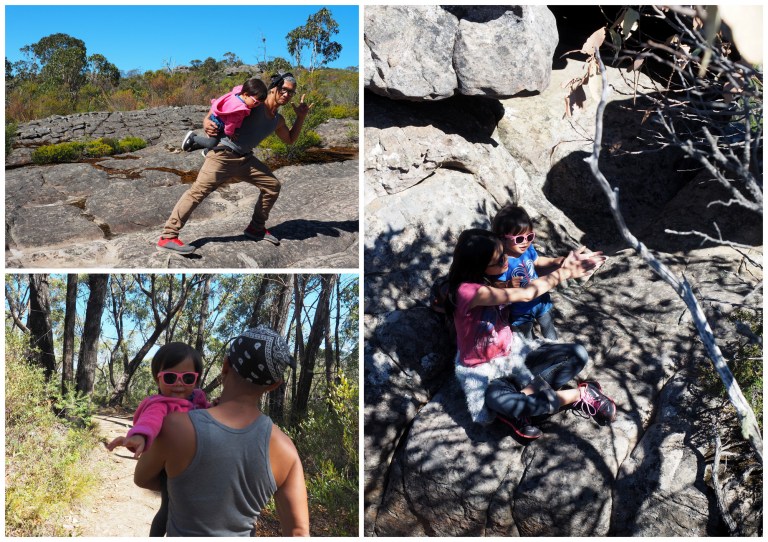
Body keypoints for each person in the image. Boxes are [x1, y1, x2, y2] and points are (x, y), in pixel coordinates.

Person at [134, 325, 310, 536]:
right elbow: (299, 532)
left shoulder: (175, 426)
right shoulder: (287, 450)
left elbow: (142, 478)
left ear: (226, 366)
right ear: (274, 385)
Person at [447, 229, 616, 439]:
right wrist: (564, 273)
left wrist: (562, 263)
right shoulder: (468, 291)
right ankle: (579, 395)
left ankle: (523, 405)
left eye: (503, 254)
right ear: (478, 266)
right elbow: (526, 294)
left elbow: (531, 275)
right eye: (499, 259)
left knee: (578, 354)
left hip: (515, 355)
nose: (505, 260)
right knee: (506, 402)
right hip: (487, 373)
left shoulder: (492, 275)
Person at [157, 73, 313, 254]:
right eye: (283, 89)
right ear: (273, 87)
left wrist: (301, 117)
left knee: (272, 185)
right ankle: (168, 237)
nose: (286, 94)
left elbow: (290, 139)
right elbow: (218, 108)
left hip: (244, 159)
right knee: (197, 192)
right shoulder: (255, 104)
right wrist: (207, 122)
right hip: (222, 155)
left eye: (291, 92)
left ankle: (255, 228)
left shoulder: (278, 120)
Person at [106, 342, 210, 537]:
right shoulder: (161, 404)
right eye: (170, 378)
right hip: (170, 469)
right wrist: (139, 436)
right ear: (157, 378)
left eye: (188, 378)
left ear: (196, 380)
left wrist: (216, 407)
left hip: (193, 466)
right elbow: (149, 421)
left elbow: (206, 414)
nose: (179, 384)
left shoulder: (197, 399)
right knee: (168, 508)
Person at [488, 205, 569, 341]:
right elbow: (494, 285)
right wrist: (507, 284)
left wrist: (556, 261)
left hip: (540, 300)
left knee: (548, 327)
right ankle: (533, 357)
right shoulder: (501, 261)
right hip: (520, 310)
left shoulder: (528, 249)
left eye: (530, 236)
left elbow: (537, 261)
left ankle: (556, 350)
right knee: (527, 339)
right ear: (502, 238)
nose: (525, 242)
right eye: (519, 239)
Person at [180, 78, 268, 153]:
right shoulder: (238, 110)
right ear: (245, 95)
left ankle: (196, 146)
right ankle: (193, 138)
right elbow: (230, 124)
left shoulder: (237, 94)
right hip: (217, 125)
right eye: (256, 102)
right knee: (212, 143)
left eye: (260, 103)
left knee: (218, 141)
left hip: (216, 118)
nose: (257, 105)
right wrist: (231, 134)